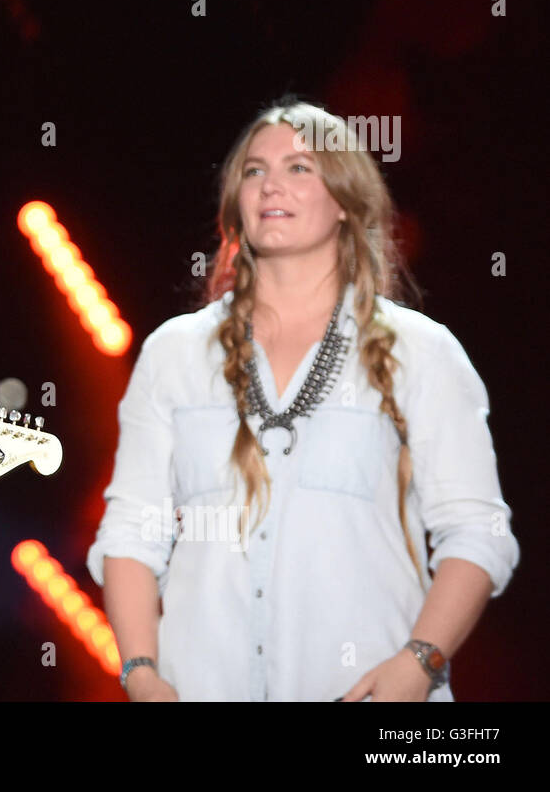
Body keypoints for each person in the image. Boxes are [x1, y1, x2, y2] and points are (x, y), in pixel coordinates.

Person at [87, 100, 519, 701]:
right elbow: (132, 533)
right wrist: (140, 673)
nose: (270, 185)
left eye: (298, 168)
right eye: (254, 170)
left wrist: (419, 664)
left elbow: (478, 531)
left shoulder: (422, 351)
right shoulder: (174, 354)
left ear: (344, 199)